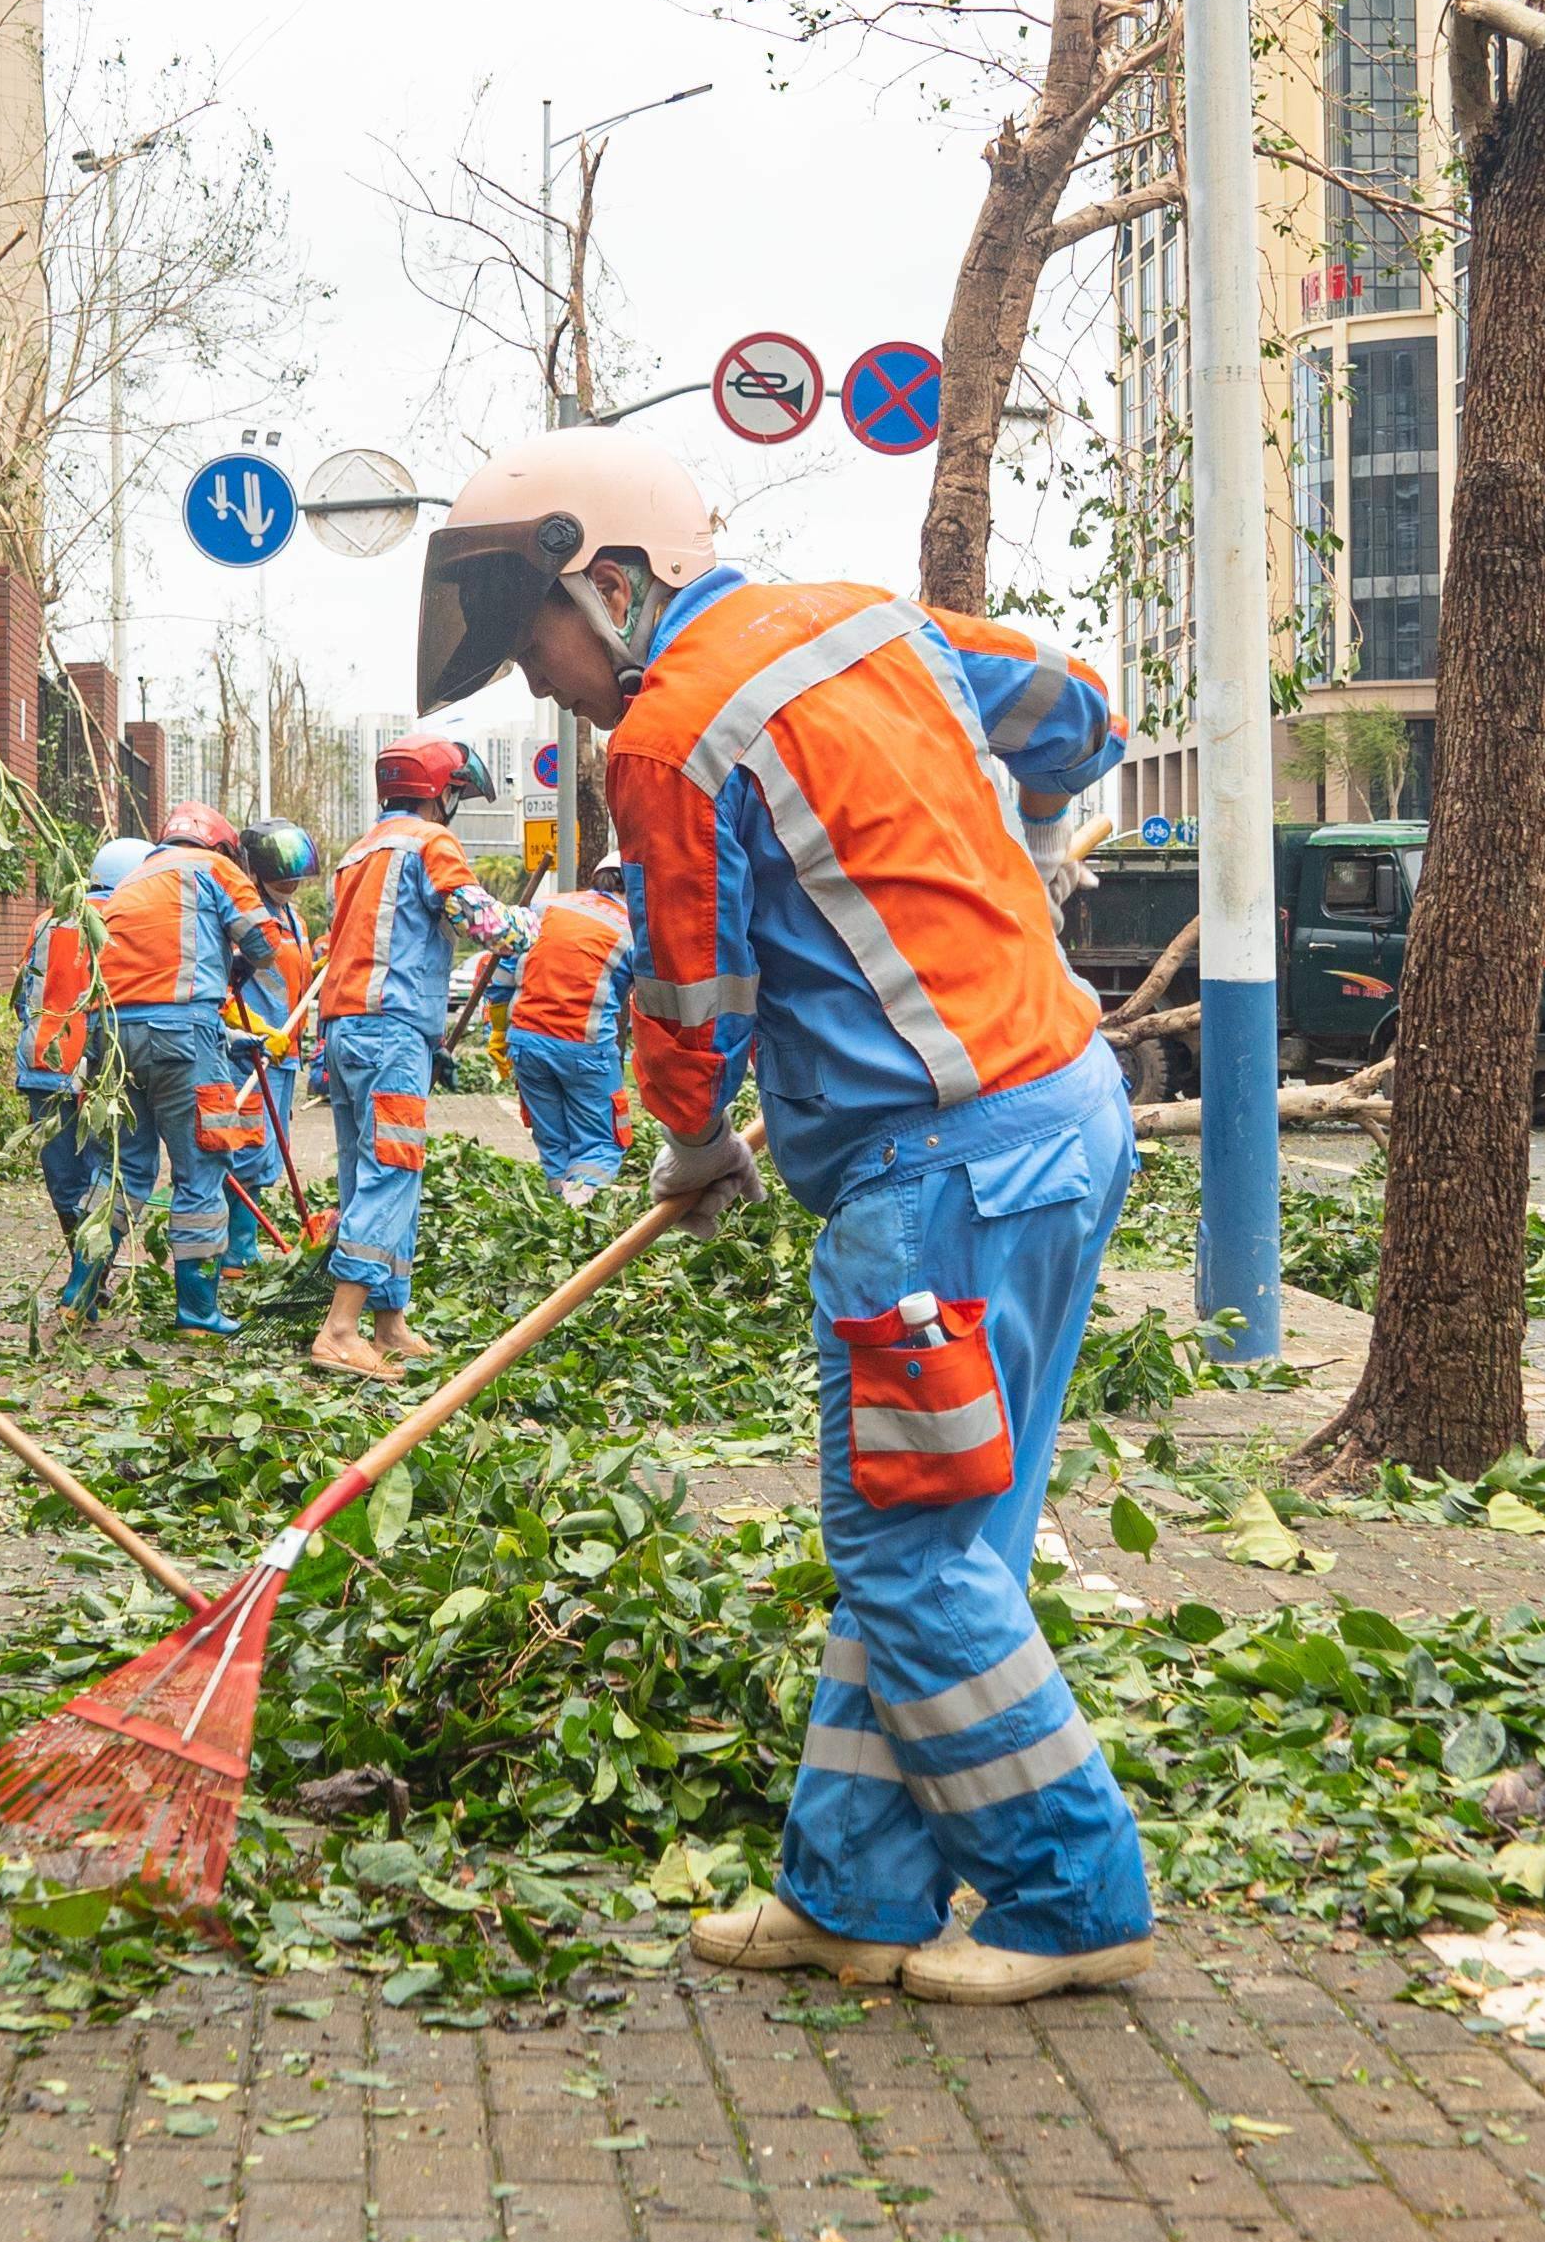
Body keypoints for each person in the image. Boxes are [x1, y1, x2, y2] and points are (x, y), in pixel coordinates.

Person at [416, 425, 1151, 2007]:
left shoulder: (670, 733)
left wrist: (688, 1148)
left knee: (908, 1556)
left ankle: (1070, 1892)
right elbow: (1080, 715)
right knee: (944, 1540)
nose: (541, 684)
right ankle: (854, 1892)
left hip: (940, 1174)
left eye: (536, 643)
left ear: (608, 579)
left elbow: (691, 999)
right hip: (1060, 1113)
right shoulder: (876, 622)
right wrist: (1012, 849)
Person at [306, 735, 520, 1377]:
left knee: (367, 1174)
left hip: (345, 1033)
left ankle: (388, 1320)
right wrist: (537, 925)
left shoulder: (357, 853)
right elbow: (488, 925)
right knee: (391, 1172)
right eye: (456, 791)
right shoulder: (431, 843)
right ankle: (340, 1330)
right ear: (440, 791)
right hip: (389, 1034)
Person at [95, 804, 285, 1336]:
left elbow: (148, 989)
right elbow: (266, 946)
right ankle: (198, 1311)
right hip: (184, 1039)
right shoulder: (215, 869)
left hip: (115, 1037)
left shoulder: (131, 882)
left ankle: (80, 1290)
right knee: (202, 1166)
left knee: (124, 1171)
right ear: (222, 848)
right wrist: (239, 953)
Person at [18, 837, 149, 1311]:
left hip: (44, 1066)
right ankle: (88, 1276)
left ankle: (84, 1279)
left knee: (65, 1180)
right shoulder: (123, 923)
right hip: (100, 1072)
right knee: (105, 1177)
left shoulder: (46, 921)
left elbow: (25, 997)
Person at [505, 851, 641, 1200]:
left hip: (525, 1042)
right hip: (584, 1050)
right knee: (601, 1143)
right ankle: (577, 1212)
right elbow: (655, 1000)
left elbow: (503, 967)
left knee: (553, 1142)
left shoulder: (546, 906)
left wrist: (495, 1031)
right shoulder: (634, 929)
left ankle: (557, 1213)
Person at [220, 820, 324, 1270]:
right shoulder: (242, 918)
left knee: (269, 1155)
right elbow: (220, 984)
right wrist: (261, 1030)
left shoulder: (294, 920)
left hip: (285, 1055)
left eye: (297, 873)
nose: (291, 882)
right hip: (252, 1052)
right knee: (248, 1148)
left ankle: (241, 1245)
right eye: (282, 873)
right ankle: (234, 1250)